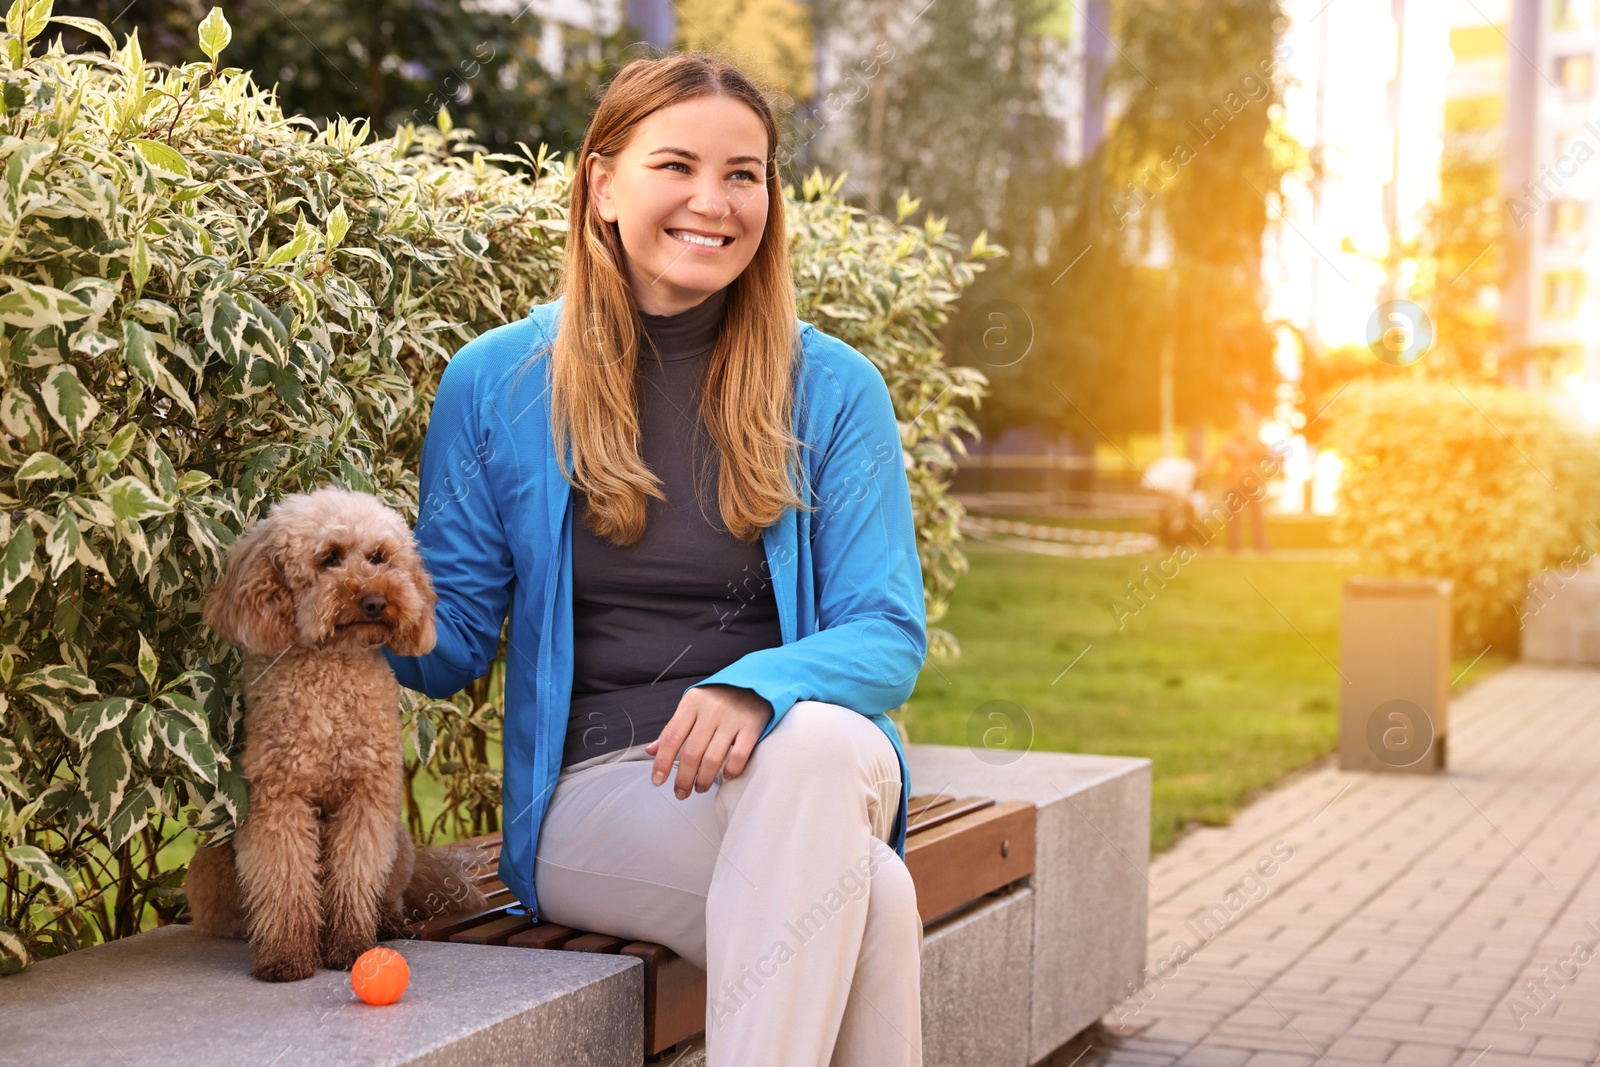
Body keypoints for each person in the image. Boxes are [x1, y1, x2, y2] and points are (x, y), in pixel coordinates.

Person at [383, 50, 928, 1067]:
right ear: (601, 185)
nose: (712, 202)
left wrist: (753, 686)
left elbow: (887, 634)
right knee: (877, 892)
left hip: (795, 769)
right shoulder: (498, 381)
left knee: (814, 745)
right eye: (676, 165)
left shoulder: (834, 390)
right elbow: (448, 642)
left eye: (743, 174)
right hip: (600, 799)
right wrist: (349, 591)